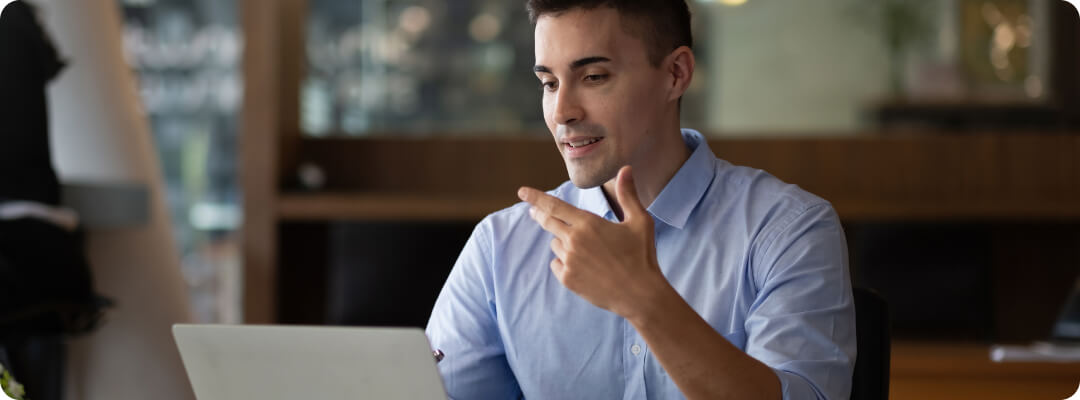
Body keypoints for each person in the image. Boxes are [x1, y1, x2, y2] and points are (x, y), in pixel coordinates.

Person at [425, 1, 856, 398]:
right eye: (549, 83)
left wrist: (644, 301)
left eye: (593, 77)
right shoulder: (500, 246)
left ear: (676, 75)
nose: (562, 112)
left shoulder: (789, 228)